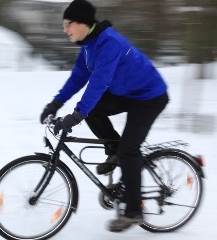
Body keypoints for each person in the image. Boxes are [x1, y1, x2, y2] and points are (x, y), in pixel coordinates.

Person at [40, 0, 169, 232]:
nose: (65, 29)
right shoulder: (88, 45)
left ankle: (133, 212)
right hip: (127, 93)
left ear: (83, 23)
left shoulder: (109, 42)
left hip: (149, 97)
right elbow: (78, 78)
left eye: (68, 24)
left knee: (129, 150)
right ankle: (114, 152)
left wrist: (77, 114)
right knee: (95, 112)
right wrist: (56, 103)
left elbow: (99, 82)